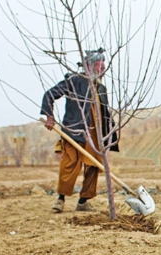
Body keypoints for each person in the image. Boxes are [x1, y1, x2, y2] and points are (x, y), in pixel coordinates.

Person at [41, 48, 118, 213]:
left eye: (104, 68)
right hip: (74, 132)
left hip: (95, 137)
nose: (103, 71)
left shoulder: (101, 89)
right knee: (69, 165)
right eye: (100, 67)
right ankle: (60, 200)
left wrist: (109, 137)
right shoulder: (74, 81)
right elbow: (49, 95)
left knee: (93, 167)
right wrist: (49, 116)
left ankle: (83, 201)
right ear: (89, 67)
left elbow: (105, 114)